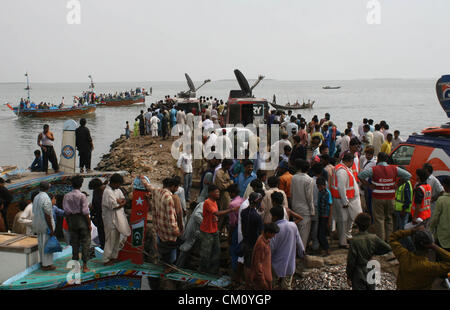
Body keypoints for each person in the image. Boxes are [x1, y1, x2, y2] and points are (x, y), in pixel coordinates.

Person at [358, 152, 412, 242]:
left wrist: (368, 185)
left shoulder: (374, 169)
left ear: (378, 159)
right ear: (387, 160)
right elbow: (408, 175)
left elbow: (360, 176)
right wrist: (397, 184)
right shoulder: (394, 168)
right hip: (390, 198)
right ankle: (389, 241)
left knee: (379, 220)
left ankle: (381, 242)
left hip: (378, 197)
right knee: (389, 219)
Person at [389, 225, 450, 290]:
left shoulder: (404, 255)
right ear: (429, 247)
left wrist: (412, 231)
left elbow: (392, 237)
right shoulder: (430, 267)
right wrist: (435, 246)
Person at [198, 185, 240, 275]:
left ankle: (213, 272)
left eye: (218, 192)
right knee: (206, 254)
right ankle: (202, 272)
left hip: (214, 231)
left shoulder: (215, 202)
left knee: (216, 252)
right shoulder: (208, 202)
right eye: (216, 192)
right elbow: (217, 213)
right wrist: (231, 210)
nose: (218, 194)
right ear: (210, 193)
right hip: (207, 232)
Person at [346, 213, 392, 290]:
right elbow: (388, 248)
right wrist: (374, 251)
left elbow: (351, 261)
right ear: (369, 225)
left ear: (357, 224)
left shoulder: (354, 241)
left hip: (358, 272)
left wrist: (349, 275)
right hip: (371, 269)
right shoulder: (373, 238)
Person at [331, 153, 363, 248]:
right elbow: (341, 187)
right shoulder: (342, 171)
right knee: (343, 221)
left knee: (348, 220)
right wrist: (345, 201)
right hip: (343, 201)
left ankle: (346, 238)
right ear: (350, 161)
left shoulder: (343, 168)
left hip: (347, 199)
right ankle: (342, 242)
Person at [270, 206, 304, 290]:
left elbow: (271, 248)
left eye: (272, 216)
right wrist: (302, 253)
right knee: (287, 286)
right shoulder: (292, 225)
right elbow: (299, 242)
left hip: (276, 264)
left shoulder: (275, 229)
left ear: (275, 217)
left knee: (272, 284)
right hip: (290, 262)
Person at [63, 176, 92, 273]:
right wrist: (89, 224)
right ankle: (85, 266)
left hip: (72, 220)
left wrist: (69, 221)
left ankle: (76, 266)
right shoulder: (82, 196)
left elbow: (66, 211)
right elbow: (85, 211)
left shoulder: (66, 196)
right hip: (82, 219)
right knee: (85, 242)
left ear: (72, 184)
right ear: (81, 184)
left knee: (74, 243)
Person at [102, 174, 130, 266]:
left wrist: (120, 202)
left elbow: (122, 199)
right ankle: (106, 259)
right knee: (110, 239)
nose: (119, 186)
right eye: (118, 184)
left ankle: (114, 257)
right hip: (110, 219)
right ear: (114, 183)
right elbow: (114, 206)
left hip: (118, 217)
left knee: (117, 239)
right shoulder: (107, 192)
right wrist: (120, 203)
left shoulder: (117, 190)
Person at [241, 192, 264, 288]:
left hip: (246, 240)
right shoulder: (257, 216)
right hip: (254, 243)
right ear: (256, 202)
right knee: (253, 264)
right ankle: (251, 283)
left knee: (247, 264)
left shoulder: (244, 212)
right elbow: (261, 232)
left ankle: (247, 283)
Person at [32, 182, 56, 270]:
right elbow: (47, 215)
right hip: (45, 225)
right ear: (48, 188)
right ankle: (47, 265)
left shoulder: (36, 197)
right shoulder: (46, 198)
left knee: (41, 244)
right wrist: (51, 228)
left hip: (38, 224)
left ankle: (43, 263)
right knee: (47, 244)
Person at [291, 159, 315, 247]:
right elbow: (309, 197)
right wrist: (312, 211)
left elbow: (292, 193)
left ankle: (296, 251)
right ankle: (301, 252)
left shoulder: (294, 177)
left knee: (296, 232)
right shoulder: (309, 180)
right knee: (304, 234)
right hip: (305, 210)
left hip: (295, 208)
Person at [250, 222, 279, 290]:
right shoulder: (261, 244)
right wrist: (262, 281)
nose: (274, 236)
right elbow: (258, 263)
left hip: (266, 275)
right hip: (263, 278)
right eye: (273, 234)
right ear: (268, 232)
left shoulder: (265, 240)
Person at [176, 201, 204, 269]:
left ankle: (181, 266)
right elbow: (196, 216)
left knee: (188, 249)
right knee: (186, 248)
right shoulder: (203, 204)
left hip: (196, 231)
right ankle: (178, 266)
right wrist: (205, 224)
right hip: (193, 230)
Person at [430, 177, 450, 253]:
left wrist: (430, 230)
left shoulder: (441, 200)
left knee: (441, 260)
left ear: (444, 186)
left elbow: (435, 218)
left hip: (442, 236)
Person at [316, 177, 333, 256]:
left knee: (321, 234)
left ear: (323, 185)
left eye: (319, 186)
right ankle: (323, 248)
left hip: (325, 216)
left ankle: (327, 248)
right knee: (320, 233)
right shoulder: (320, 192)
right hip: (320, 215)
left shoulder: (327, 193)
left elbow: (330, 205)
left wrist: (329, 219)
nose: (318, 188)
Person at [88, 178, 106, 249]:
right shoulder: (96, 191)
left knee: (106, 234)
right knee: (101, 234)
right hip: (98, 217)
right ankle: (102, 247)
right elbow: (94, 203)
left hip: (106, 217)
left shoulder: (106, 191)